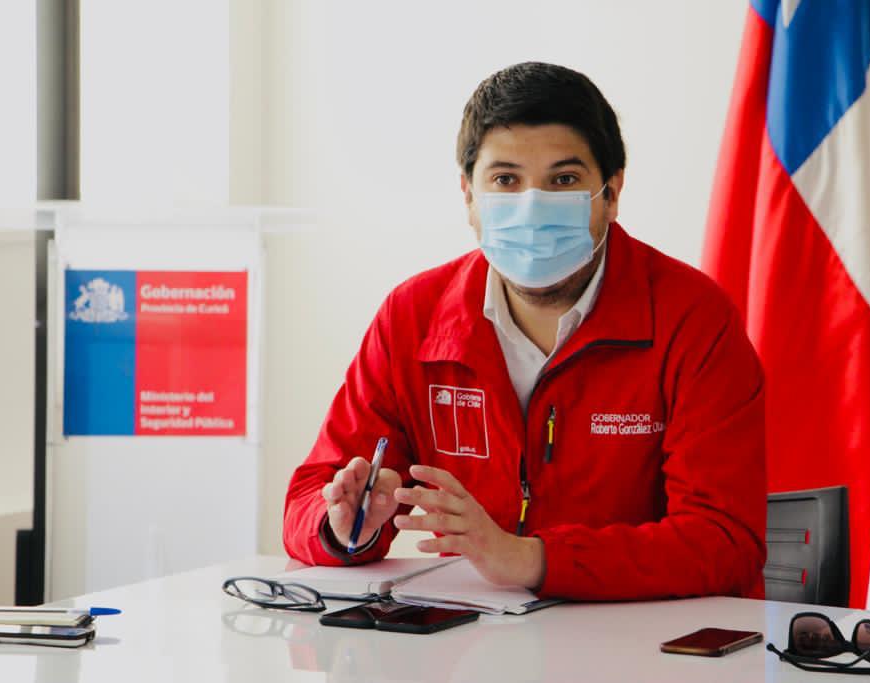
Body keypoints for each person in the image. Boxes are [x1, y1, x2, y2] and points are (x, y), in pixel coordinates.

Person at [283, 61, 766, 600]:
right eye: (505, 180)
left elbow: (724, 539)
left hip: (648, 636)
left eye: (563, 180)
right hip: (478, 633)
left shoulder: (693, 317)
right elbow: (309, 494)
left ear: (611, 193)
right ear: (469, 196)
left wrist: (531, 559)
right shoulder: (413, 316)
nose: (532, 205)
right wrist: (343, 525)